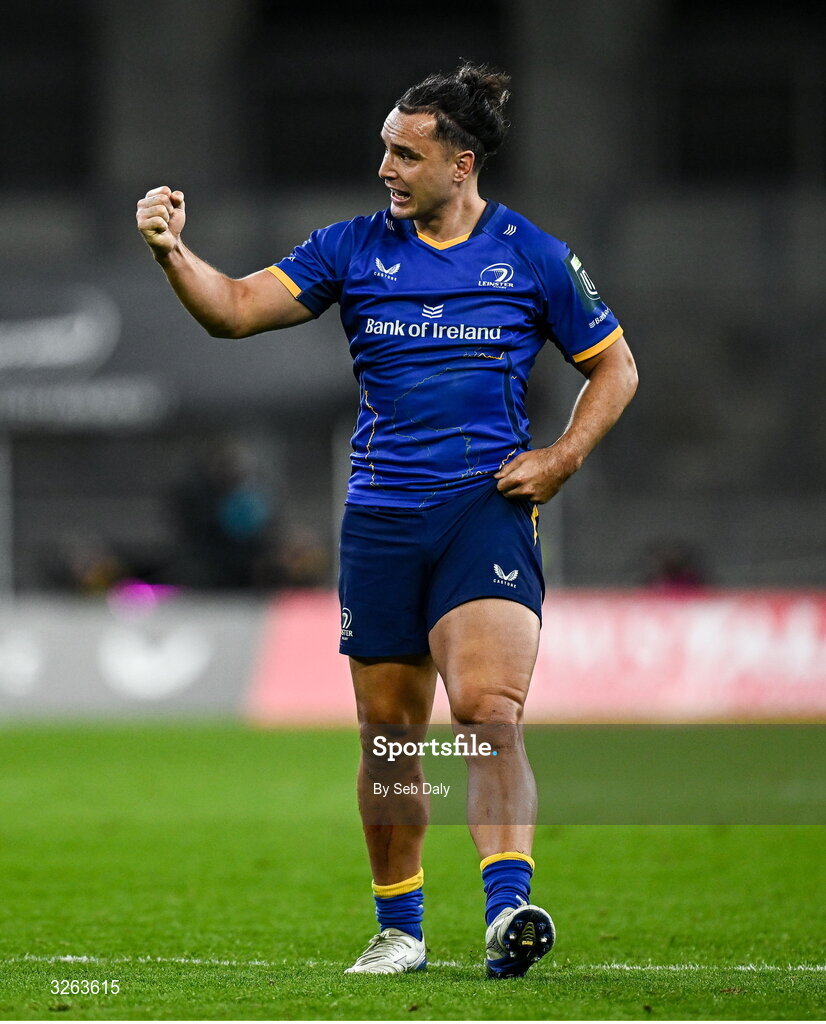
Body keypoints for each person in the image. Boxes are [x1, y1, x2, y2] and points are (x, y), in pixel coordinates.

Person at [136, 62, 638, 978]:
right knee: (392, 735)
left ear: (463, 163)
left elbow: (617, 369)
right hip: (381, 519)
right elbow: (237, 310)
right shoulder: (352, 248)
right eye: (383, 150)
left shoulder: (533, 254)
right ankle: (400, 926)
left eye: (406, 154)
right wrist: (174, 252)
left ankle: (506, 911)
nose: (387, 168)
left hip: (482, 511)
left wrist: (561, 458)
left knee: (489, 711)